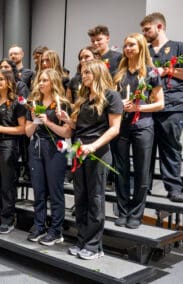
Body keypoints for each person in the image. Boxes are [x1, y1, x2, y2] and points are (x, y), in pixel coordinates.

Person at [58, 60, 122, 259]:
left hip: (97, 153)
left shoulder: (112, 96)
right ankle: (83, 240)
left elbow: (114, 129)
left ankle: (95, 246)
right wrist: (68, 121)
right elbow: (81, 128)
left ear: (98, 73)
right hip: (79, 151)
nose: (83, 76)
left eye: (87, 72)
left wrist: (94, 146)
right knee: (81, 198)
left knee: (95, 199)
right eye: (83, 72)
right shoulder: (84, 99)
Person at [140, 12, 183, 202]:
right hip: (148, 107)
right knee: (145, 149)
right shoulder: (145, 52)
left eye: (147, 29)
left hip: (173, 106)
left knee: (170, 147)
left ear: (160, 27)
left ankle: (174, 189)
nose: (145, 34)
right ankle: (143, 188)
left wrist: (167, 71)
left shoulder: (180, 47)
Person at [112, 33, 164, 229]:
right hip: (122, 126)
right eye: (126, 45)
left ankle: (136, 213)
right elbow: (112, 99)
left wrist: (138, 108)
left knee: (142, 171)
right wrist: (120, 103)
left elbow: (160, 104)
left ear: (141, 47)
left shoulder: (151, 72)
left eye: (132, 45)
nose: (128, 48)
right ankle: (123, 211)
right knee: (121, 171)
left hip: (143, 125)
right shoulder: (118, 73)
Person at [25, 69, 72, 244]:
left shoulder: (63, 104)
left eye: (45, 80)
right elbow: (28, 132)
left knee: (55, 191)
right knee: (38, 190)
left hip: (55, 149)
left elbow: (66, 132)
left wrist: (48, 122)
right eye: (40, 80)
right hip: (36, 146)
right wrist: (35, 121)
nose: (41, 83)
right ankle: (39, 225)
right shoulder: (34, 103)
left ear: (53, 82)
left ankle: (56, 230)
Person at [0, 70, 27, 234]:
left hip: (8, 144)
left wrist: (1, 128)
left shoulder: (17, 103)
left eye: (2, 79)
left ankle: (7, 219)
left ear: (9, 82)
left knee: (7, 184)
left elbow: (23, 129)